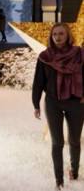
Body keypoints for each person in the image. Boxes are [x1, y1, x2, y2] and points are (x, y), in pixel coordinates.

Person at [32, 23, 84, 189]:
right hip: (53, 102)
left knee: (74, 140)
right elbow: (38, 81)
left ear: (68, 35)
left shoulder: (80, 54)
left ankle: (74, 171)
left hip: (76, 102)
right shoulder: (45, 57)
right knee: (57, 143)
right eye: (55, 34)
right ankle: (59, 181)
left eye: (61, 34)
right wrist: (36, 103)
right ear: (51, 36)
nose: (58, 37)